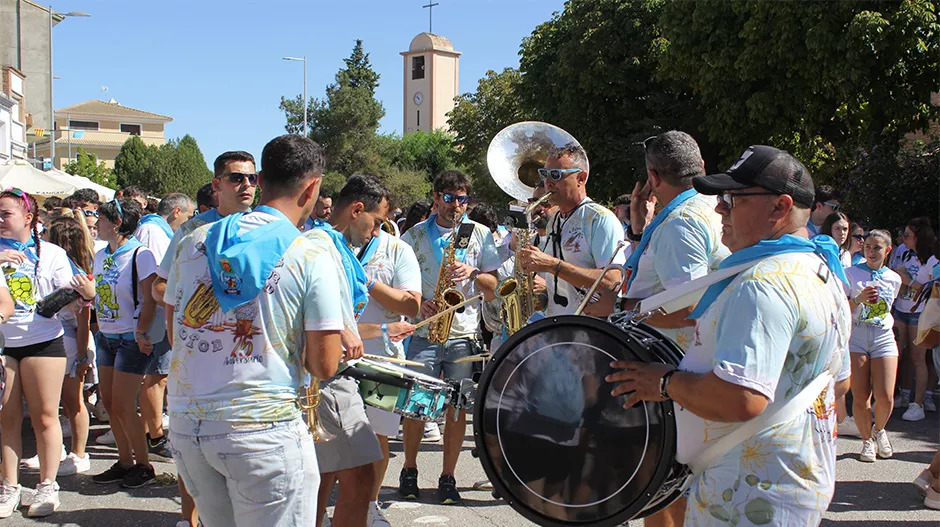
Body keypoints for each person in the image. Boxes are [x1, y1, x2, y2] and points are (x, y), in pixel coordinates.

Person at [608, 146, 851, 525]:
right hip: (788, 479)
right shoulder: (822, 272)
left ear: (780, 207)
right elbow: (841, 382)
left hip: (747, 496)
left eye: (733, 199)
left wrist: (663, 382)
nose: (720, 208)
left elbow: (742, 398)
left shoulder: (763, 284)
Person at [165, 135, 344, 527]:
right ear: (312, 187)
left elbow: (175, 328)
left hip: (187, 423)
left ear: (260, 180)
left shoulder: (194, 240)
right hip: (263, 428)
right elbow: (325, 365)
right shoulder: (310, 251)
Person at [152, 150, 257, 527]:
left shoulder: (264, 228)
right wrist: (178, 336)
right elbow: (162, 286)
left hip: (247, 359)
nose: (246, 185)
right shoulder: (190, 231)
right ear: (217, 185)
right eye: (236, 178)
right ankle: (189, 519)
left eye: (252, 178)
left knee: (243, 457)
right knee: (193, 450)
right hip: (198, 359)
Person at [308, 175, 415, 527]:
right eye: (376, 221)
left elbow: (345, 321)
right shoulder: (323, 247)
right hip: (328, 375)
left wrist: (380, 329)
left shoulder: (333, 247)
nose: (376, 232)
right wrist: (340, 331)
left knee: (329, 471)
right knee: (361, 471)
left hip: (335, 372)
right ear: (357, 210)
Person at [399, 170, 500, 505]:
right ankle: (409, 469)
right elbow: (399, 282)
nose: (455, 205)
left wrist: (474, 273)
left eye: (462, 199)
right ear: (436, 198)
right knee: (416, 406)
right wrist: (418, 303)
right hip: (424, 331)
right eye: (448, 197)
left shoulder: (480, 234)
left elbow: (494, 287)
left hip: (463, 333)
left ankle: (448, 476)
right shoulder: (413, 236)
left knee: (457, 409)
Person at [0, 189, 91, 518]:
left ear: (28, 217)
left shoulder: (51, 253)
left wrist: (85, 294)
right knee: (7, 417)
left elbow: (73, 297)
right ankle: (9, 486)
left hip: (43, 342)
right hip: (4, 344)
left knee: (44, 417)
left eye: (5, 214)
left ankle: (48, 485)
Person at [90, 199, 160, 489]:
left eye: (101, 218)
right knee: (109, 402)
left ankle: (144, 465)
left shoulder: (140, 255)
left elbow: (151, 299)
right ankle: (124, 461)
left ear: (117, 222)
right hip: (106, 336)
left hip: (131, 338)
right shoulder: (100, 254)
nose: (96, 223)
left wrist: (141, 331)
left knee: (123, 404)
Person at [517, 143, 624, 316]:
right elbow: (564, 288)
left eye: (556, 175)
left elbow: (612, 281)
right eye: (545, 174)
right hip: (560, 324)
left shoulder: (599, 218)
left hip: (589, 327)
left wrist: (553, 265)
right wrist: (542, 299)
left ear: (581, 178)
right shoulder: (554, 221)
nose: (548, 182)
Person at [134, 192, 195, 462]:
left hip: (159, 313)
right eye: (189, 215)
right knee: (156, 377)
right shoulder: (153, 231)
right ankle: (155, 438)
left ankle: (149, 432)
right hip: (156, 315)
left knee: (159, 377)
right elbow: (156, 283)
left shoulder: (156, 230)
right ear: (177, 212)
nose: (191, 221)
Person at [41, 214, 96, 476]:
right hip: (54, 341)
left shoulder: (77, 278)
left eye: (46, 234)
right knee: (52, 403)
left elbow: (84, 321)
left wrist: (83, 356)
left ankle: (79, 454)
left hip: (71, 344)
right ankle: (54, 450)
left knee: (74, 401)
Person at [844, 229, 902, 462]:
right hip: (857, 335)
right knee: (860, 395)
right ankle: (866, 440)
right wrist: (859, 299)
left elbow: (888, 309)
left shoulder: (894, 278)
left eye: (877, 248)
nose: (871, 252)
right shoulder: (851, 273)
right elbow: (840, 307)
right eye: (867, 247)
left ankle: (879, 430)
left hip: (883, 335)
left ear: (888, 250)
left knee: (885, 396)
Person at [892, 217, 937, 420]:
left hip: (920, 313)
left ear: (918, 237)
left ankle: (918, 404)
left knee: (919, 358)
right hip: (901, 309)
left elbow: (933, 290)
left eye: (907, 235)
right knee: (902, 355)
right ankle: (904, 395)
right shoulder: (905, 253)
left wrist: (909, 282)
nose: (903, 238)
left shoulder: (933, 260)